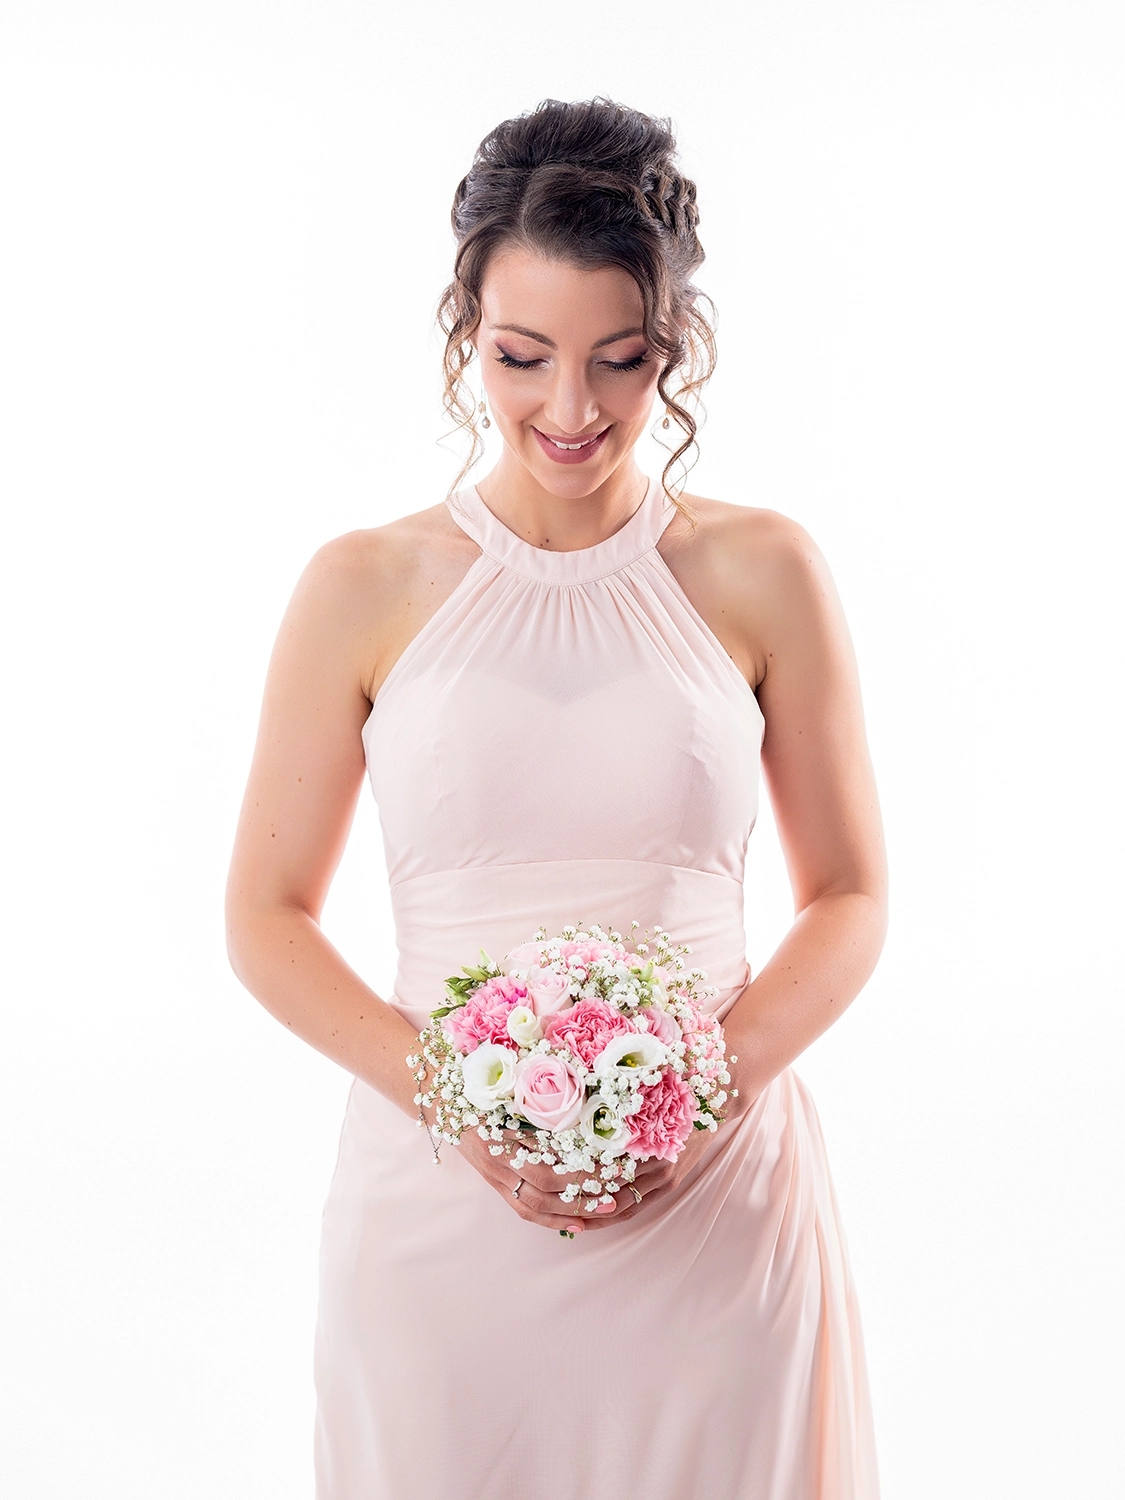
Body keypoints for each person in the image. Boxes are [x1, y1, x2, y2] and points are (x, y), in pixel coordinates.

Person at [225, 96, 888, 1500]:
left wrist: (707, 1094)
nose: (572, 410)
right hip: (435, 1228)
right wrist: (457, 1102)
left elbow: (850, 898)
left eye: (623, 359)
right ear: (467, 330)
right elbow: (266, 918)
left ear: (677, 347)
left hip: (715, 1217)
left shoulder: (768, 571)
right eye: (524, 358)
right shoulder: (360, 586)